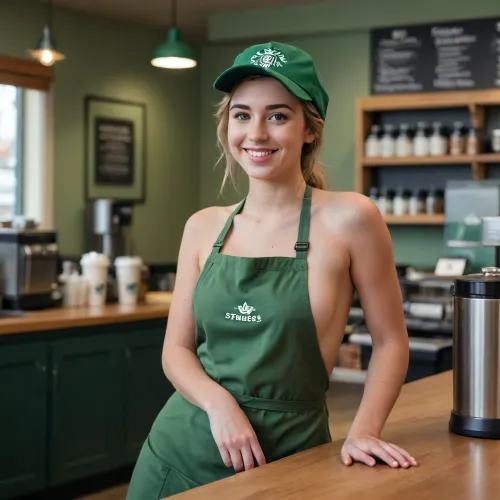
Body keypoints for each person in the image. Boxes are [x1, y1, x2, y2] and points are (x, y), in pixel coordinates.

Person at [126, 41, 416, 499]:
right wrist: (219, 405)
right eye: (242, 115)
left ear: (309, 130)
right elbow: (176, 351)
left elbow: (390, 340)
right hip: (180, 452)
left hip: (293, 451)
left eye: (277, 116)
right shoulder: (203, 227)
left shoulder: (352, 219)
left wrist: (364, 430)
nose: (256, 133)